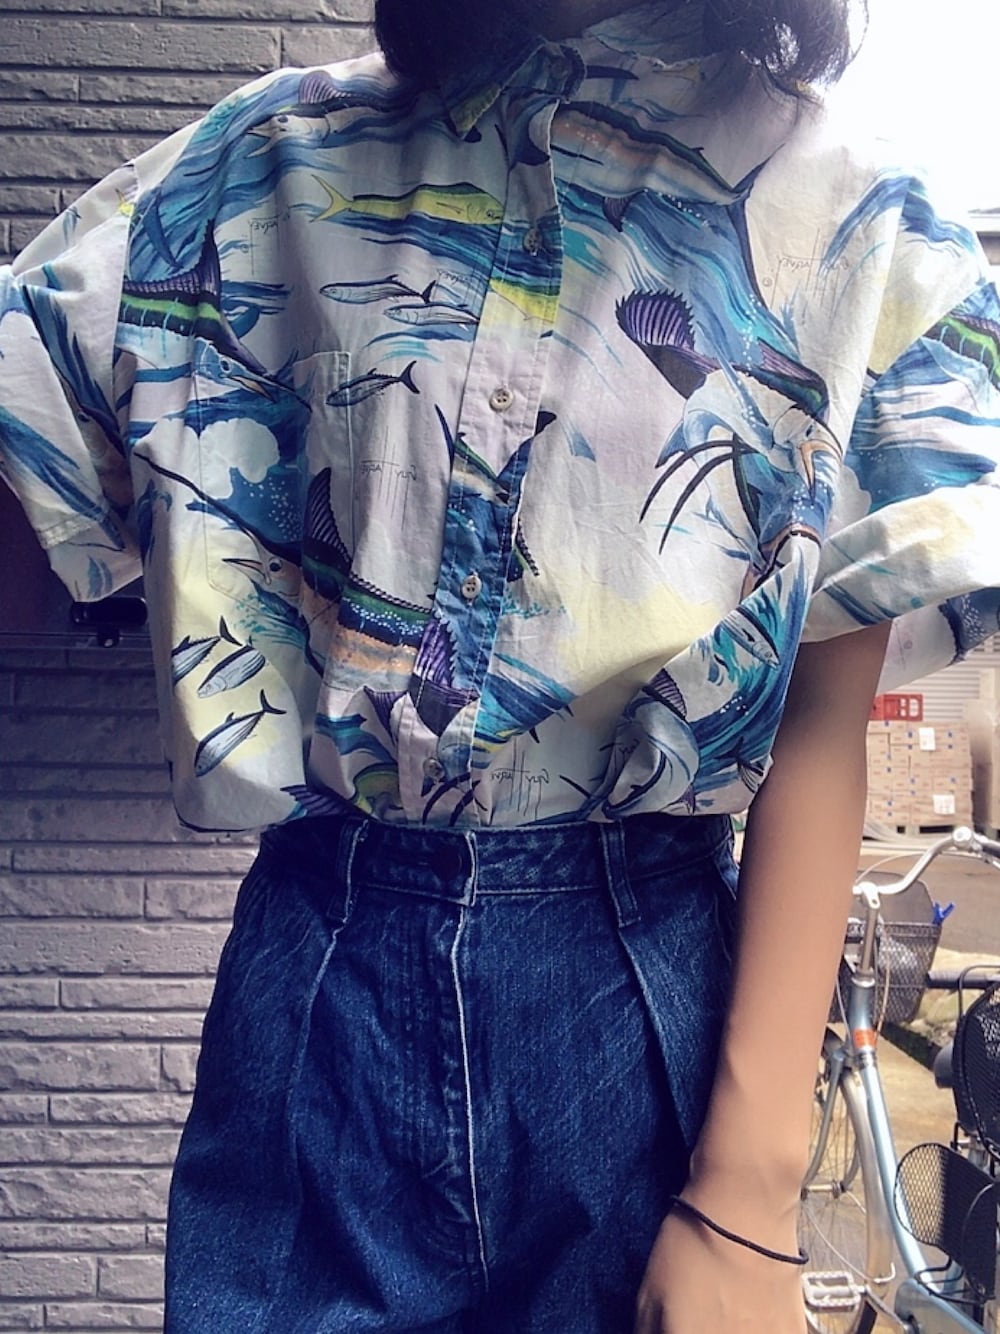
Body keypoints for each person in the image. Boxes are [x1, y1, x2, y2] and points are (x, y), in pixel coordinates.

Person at [2, 0, 999, 1327]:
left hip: (641, 974)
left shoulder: (859, 219)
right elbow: (47, 436)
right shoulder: (267, 157)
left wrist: (748, 1193)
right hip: (321, 961)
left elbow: (823, 709)